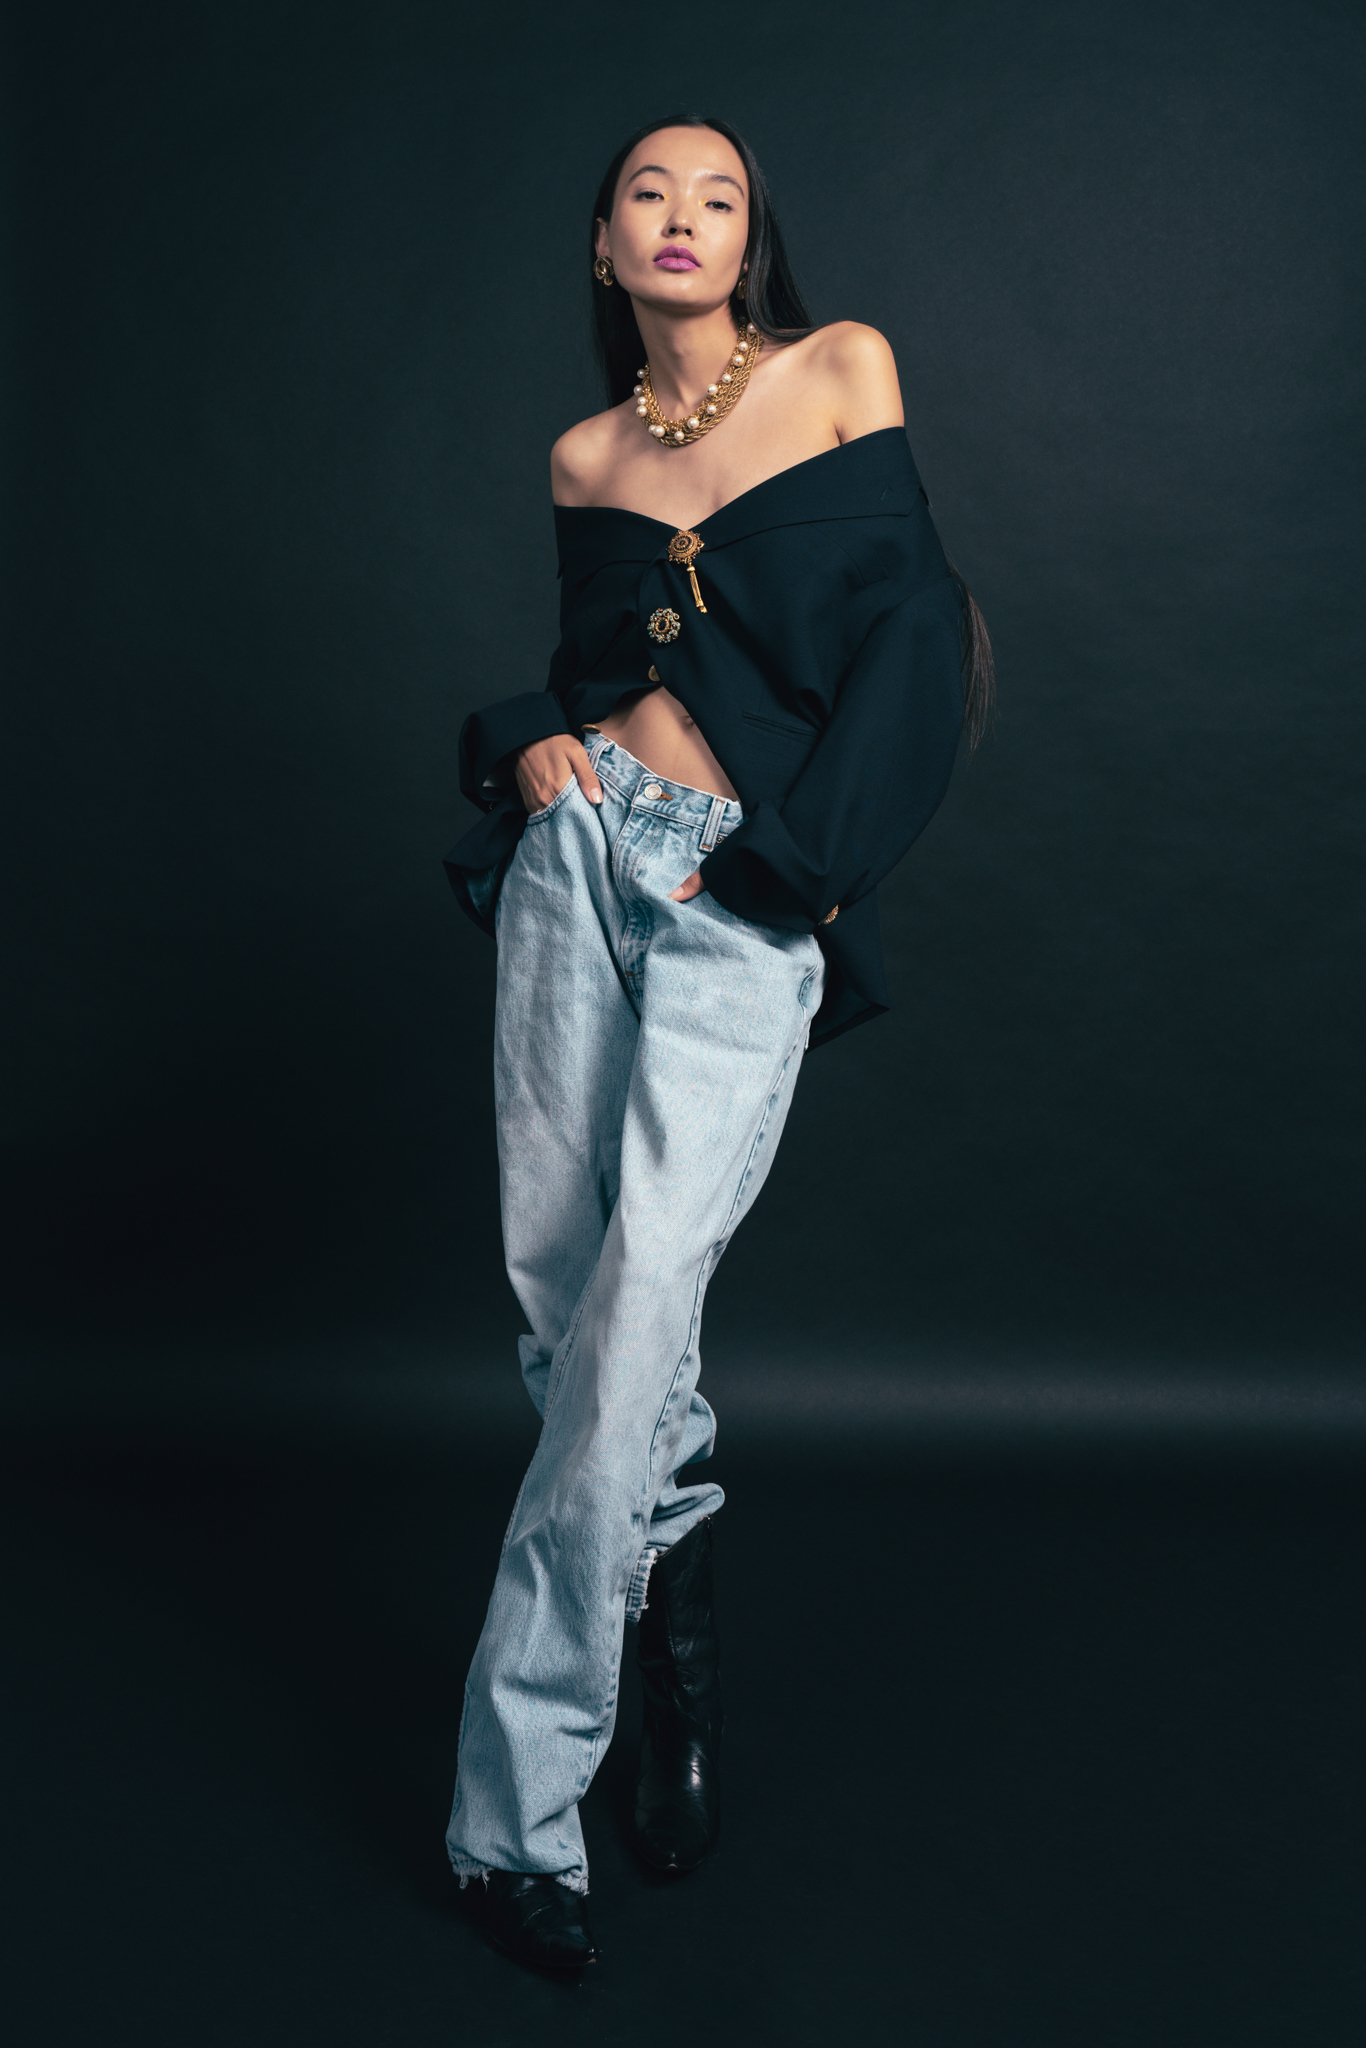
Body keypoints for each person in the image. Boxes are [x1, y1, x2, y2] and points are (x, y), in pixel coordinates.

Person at [442, 112, 992, 1971]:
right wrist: (525, 736)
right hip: (573, 855)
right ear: (603, 247)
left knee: (636, 1307)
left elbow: (913, 638)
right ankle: (669, 1667)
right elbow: (606, 670)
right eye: (647, 193)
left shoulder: (841, 371)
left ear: (750, 244)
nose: (683, 216)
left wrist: (790, 870)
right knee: (562, 1306)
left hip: (738, 885)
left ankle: (511, 1815)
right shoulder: (584, 453)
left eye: (719, 195)